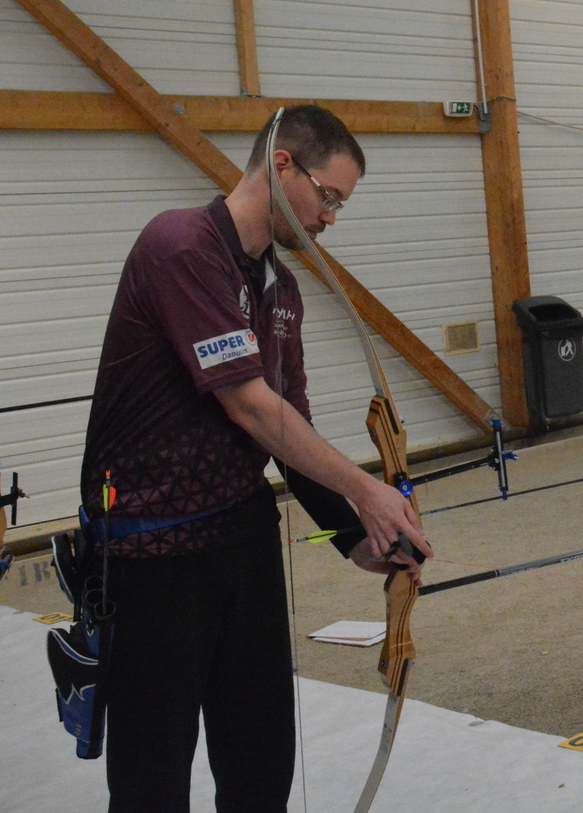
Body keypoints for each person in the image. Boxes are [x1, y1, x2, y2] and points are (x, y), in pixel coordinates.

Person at [78, 105, 430, 813]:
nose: (330, 218)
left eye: (340, 204)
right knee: (152, 778)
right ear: (281, 164)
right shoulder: (181, 246)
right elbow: (249, 405)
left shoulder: (282, 290)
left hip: (242, 543)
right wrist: (368, 491)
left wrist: (355, 537)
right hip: (153, 554)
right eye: (327, 196)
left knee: (260, 761)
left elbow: (288, 429)